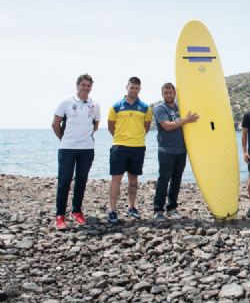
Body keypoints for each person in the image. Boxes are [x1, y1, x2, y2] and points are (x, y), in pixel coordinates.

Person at [51, 74, 101, 230]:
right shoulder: (66, 102)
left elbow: (96, 125)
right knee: (64, 182)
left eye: (88, 85)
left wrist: (83, 137)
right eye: (83, 85)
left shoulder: (95, 105)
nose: (86, 88)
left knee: (81, 181)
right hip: (67, 148)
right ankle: (60, 216)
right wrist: (65, 139)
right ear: (77, 86)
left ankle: (76, 211)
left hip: (87, 149)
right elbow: (55, 124)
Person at [107, 77, 153, 224]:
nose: (134, 90)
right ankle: (112, 210)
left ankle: (132, 207)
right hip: (119, 147)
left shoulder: (146, 108)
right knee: (116, 180)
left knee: (133, 180)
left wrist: (135, 138)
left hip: (138, 147)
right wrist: (122, 138)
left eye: (136, 88)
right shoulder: (116, 107)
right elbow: (111, 127)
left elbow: (145, 128)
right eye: (131, 87)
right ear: (126, 87)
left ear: (140, 89)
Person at [152, 83, 199, 222]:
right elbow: (167, 126)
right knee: (163, 180)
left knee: (176, 180)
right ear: (162, 94)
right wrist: (185, 120)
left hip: (181, 150)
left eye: (170, 92)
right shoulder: (160, 108)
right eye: (165, 93)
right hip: (166, 150)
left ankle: (172, 208)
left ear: (175, 93)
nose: (168, 95)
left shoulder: (181, 107)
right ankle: (158, 210)